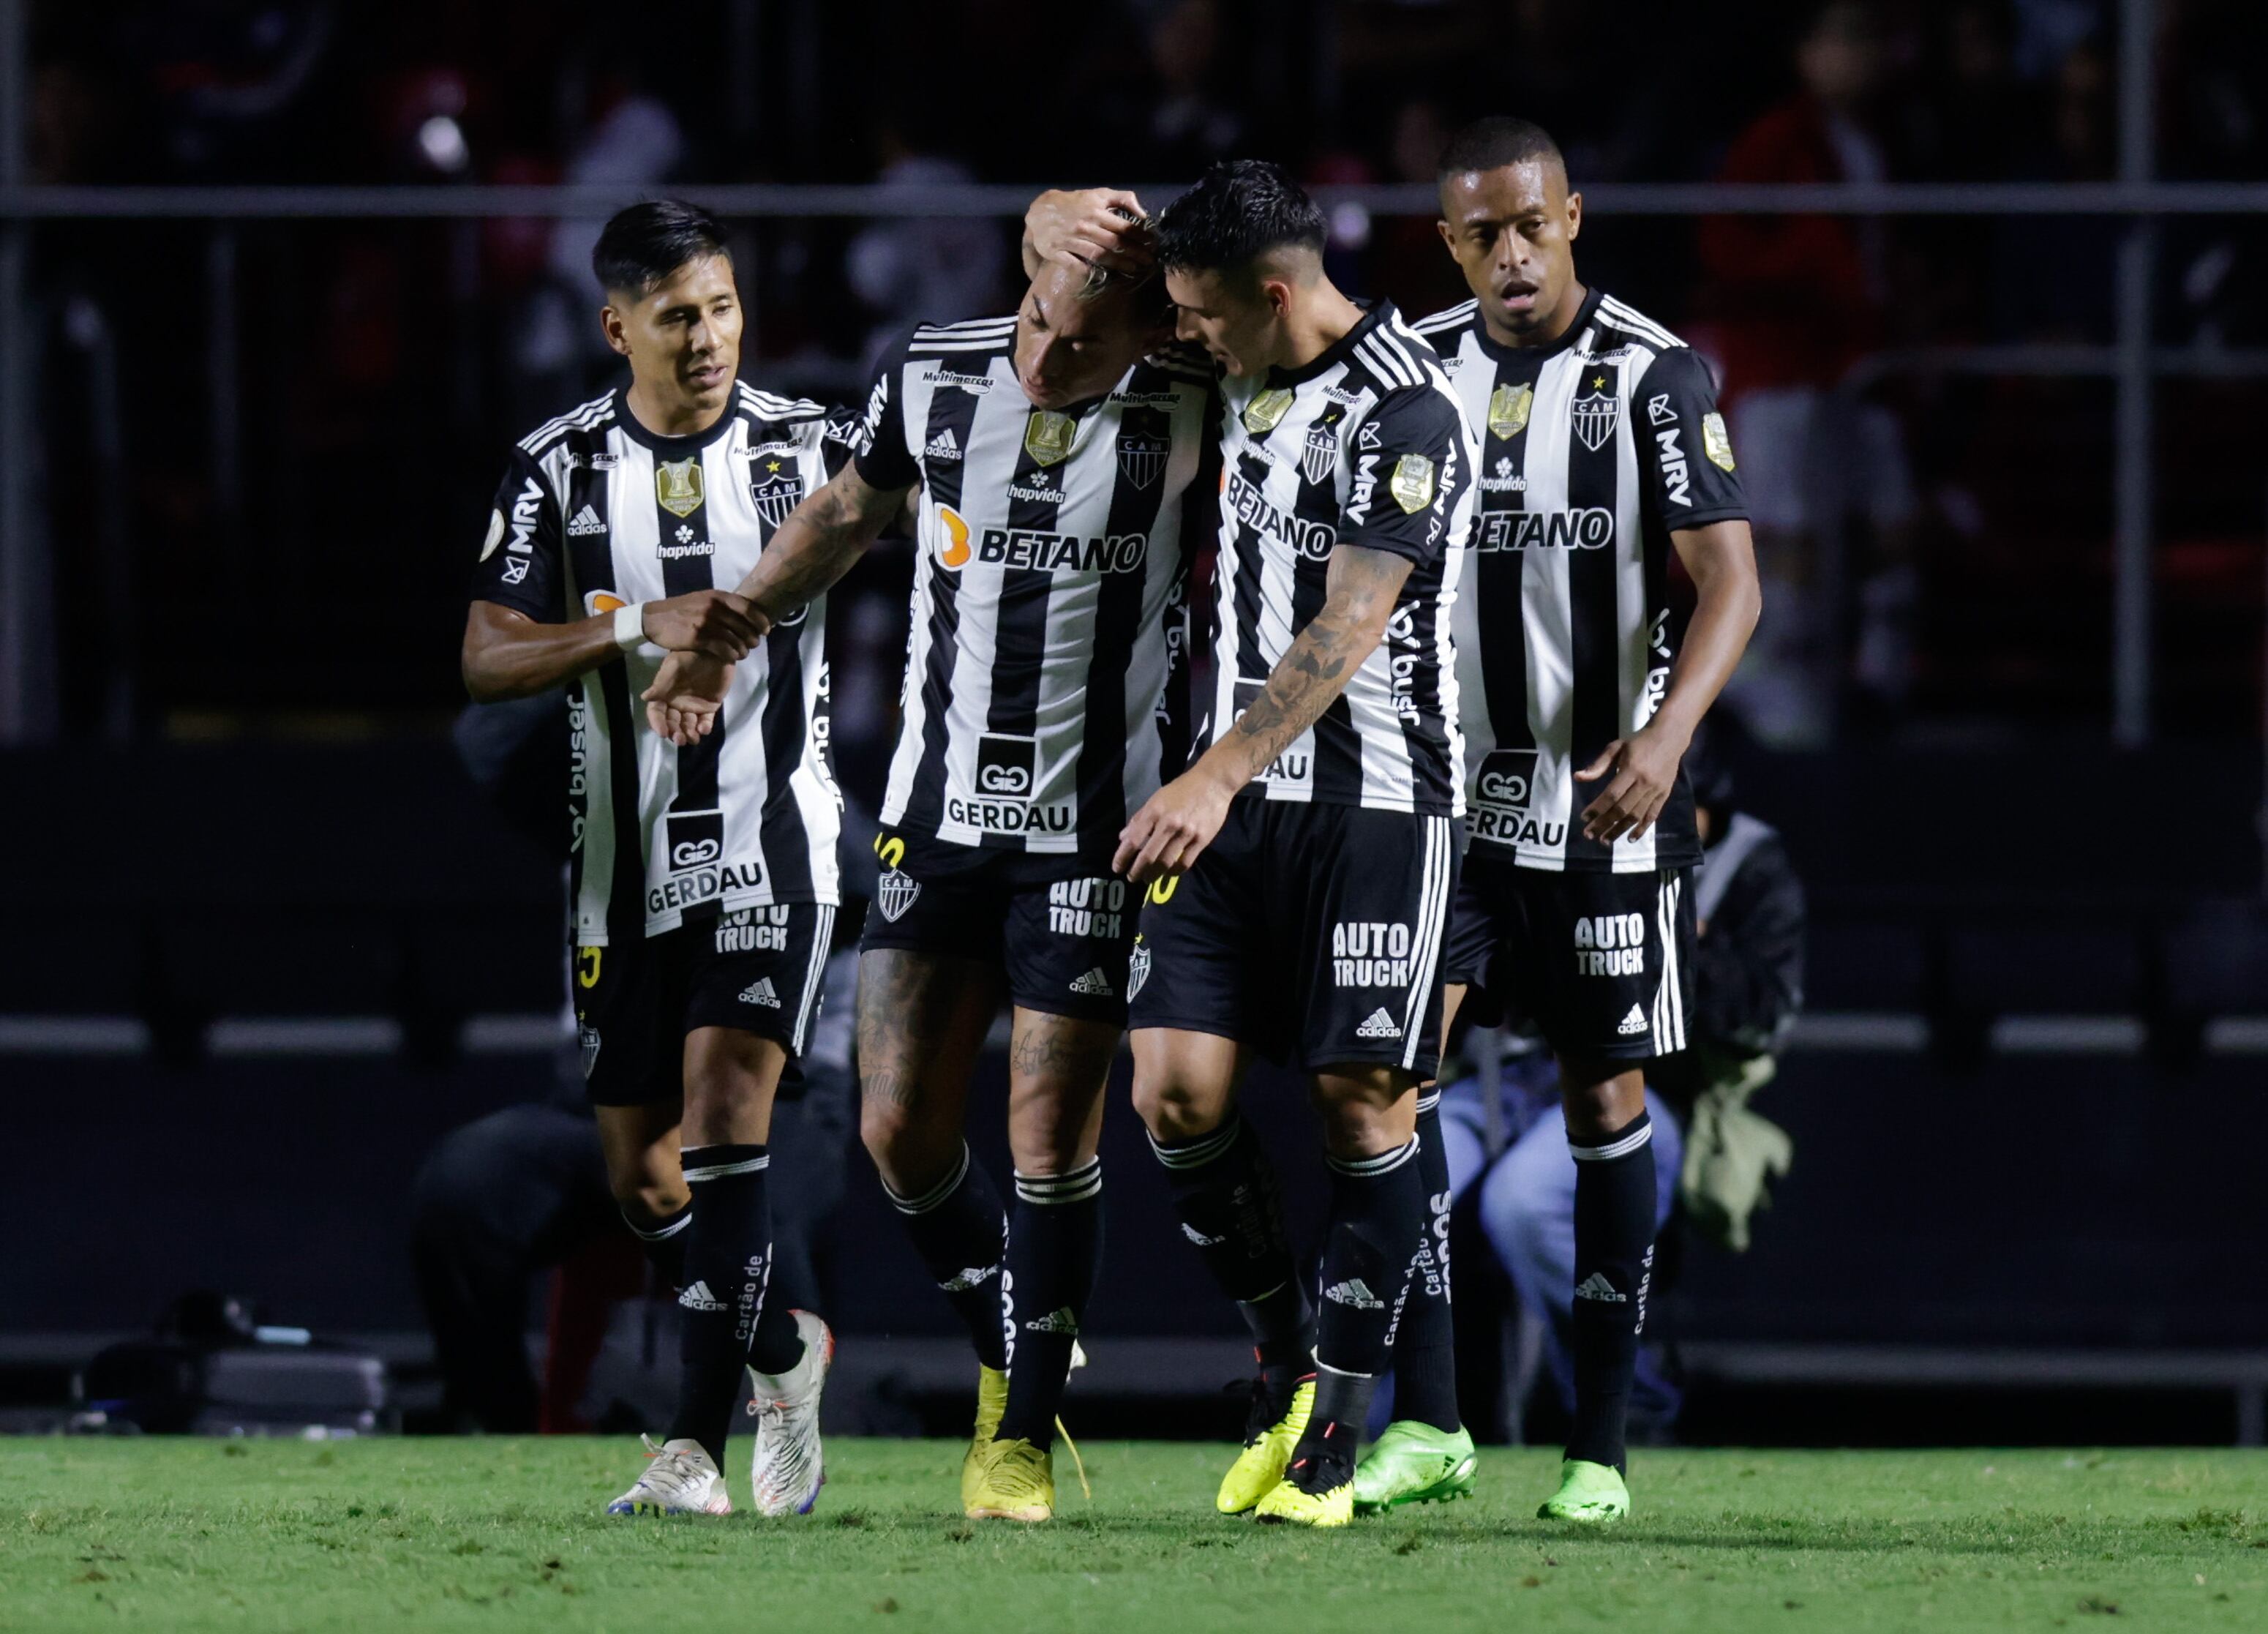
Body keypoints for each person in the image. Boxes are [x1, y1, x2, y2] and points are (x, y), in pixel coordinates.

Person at [644, 244, 1216, 1522]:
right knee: (897, 1130)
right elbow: (847, 512)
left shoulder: (1193, 390)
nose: (1046, 353)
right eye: (1036, 318)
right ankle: (1017, 1333)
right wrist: (732, 629)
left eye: (1083, 340)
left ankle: (1018, 1436)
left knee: (1046, 1136)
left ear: (1145, 330)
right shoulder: (935, 370)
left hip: (1095, 829)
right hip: (934, 817)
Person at [1030, 160, 1476, 1529]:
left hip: (1376, 804)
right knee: (1172, 1094)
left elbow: (1352, 617)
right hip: (1227, 804)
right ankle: (1287, 1355)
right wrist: (1046, 223)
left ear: (1275, 296)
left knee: (1364, 1106)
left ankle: (1339, 1432)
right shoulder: (1228, 356)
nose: (1186, 335)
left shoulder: (1407, 402)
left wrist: (1215, 772)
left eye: (1203, 314)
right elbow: (1057, 363)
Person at [459, 199, 852, 1519]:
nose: (709, 338)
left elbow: (913, 513)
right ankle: (785, 1353)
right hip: (618, 875)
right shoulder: (556, 468)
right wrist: (636, 627)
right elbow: (486, 655)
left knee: (726, 1116)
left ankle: (692, 1448)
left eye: (724, 307)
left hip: (771, 845)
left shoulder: (807, 446)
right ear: (617, 325)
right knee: (644, 1179)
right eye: (678, 315)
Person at [1405, 116, 1762, 1524]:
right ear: (1449, 243)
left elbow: (1731, 583)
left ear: (1572, 219)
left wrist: (1666, 742)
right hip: (1442, 807)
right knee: (1385, 1085)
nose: (1511, 253)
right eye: (1482, 233)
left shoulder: (1653, 373)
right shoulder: (1410, 370)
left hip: (1602, 804)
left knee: (1604, 1101)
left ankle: (1597, 1450)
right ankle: (1424, 1422)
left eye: (1530, 224)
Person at [1429, 732, 1806, 1443]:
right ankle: (1383, 1418)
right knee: (1403, 1177)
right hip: (1506, 1073)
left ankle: (1629, 1405)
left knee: (1525, 1200)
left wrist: (1682, 940)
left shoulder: (1747, 862)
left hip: (1652, 1085)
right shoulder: (1536, 821)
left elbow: (1761, 1016)